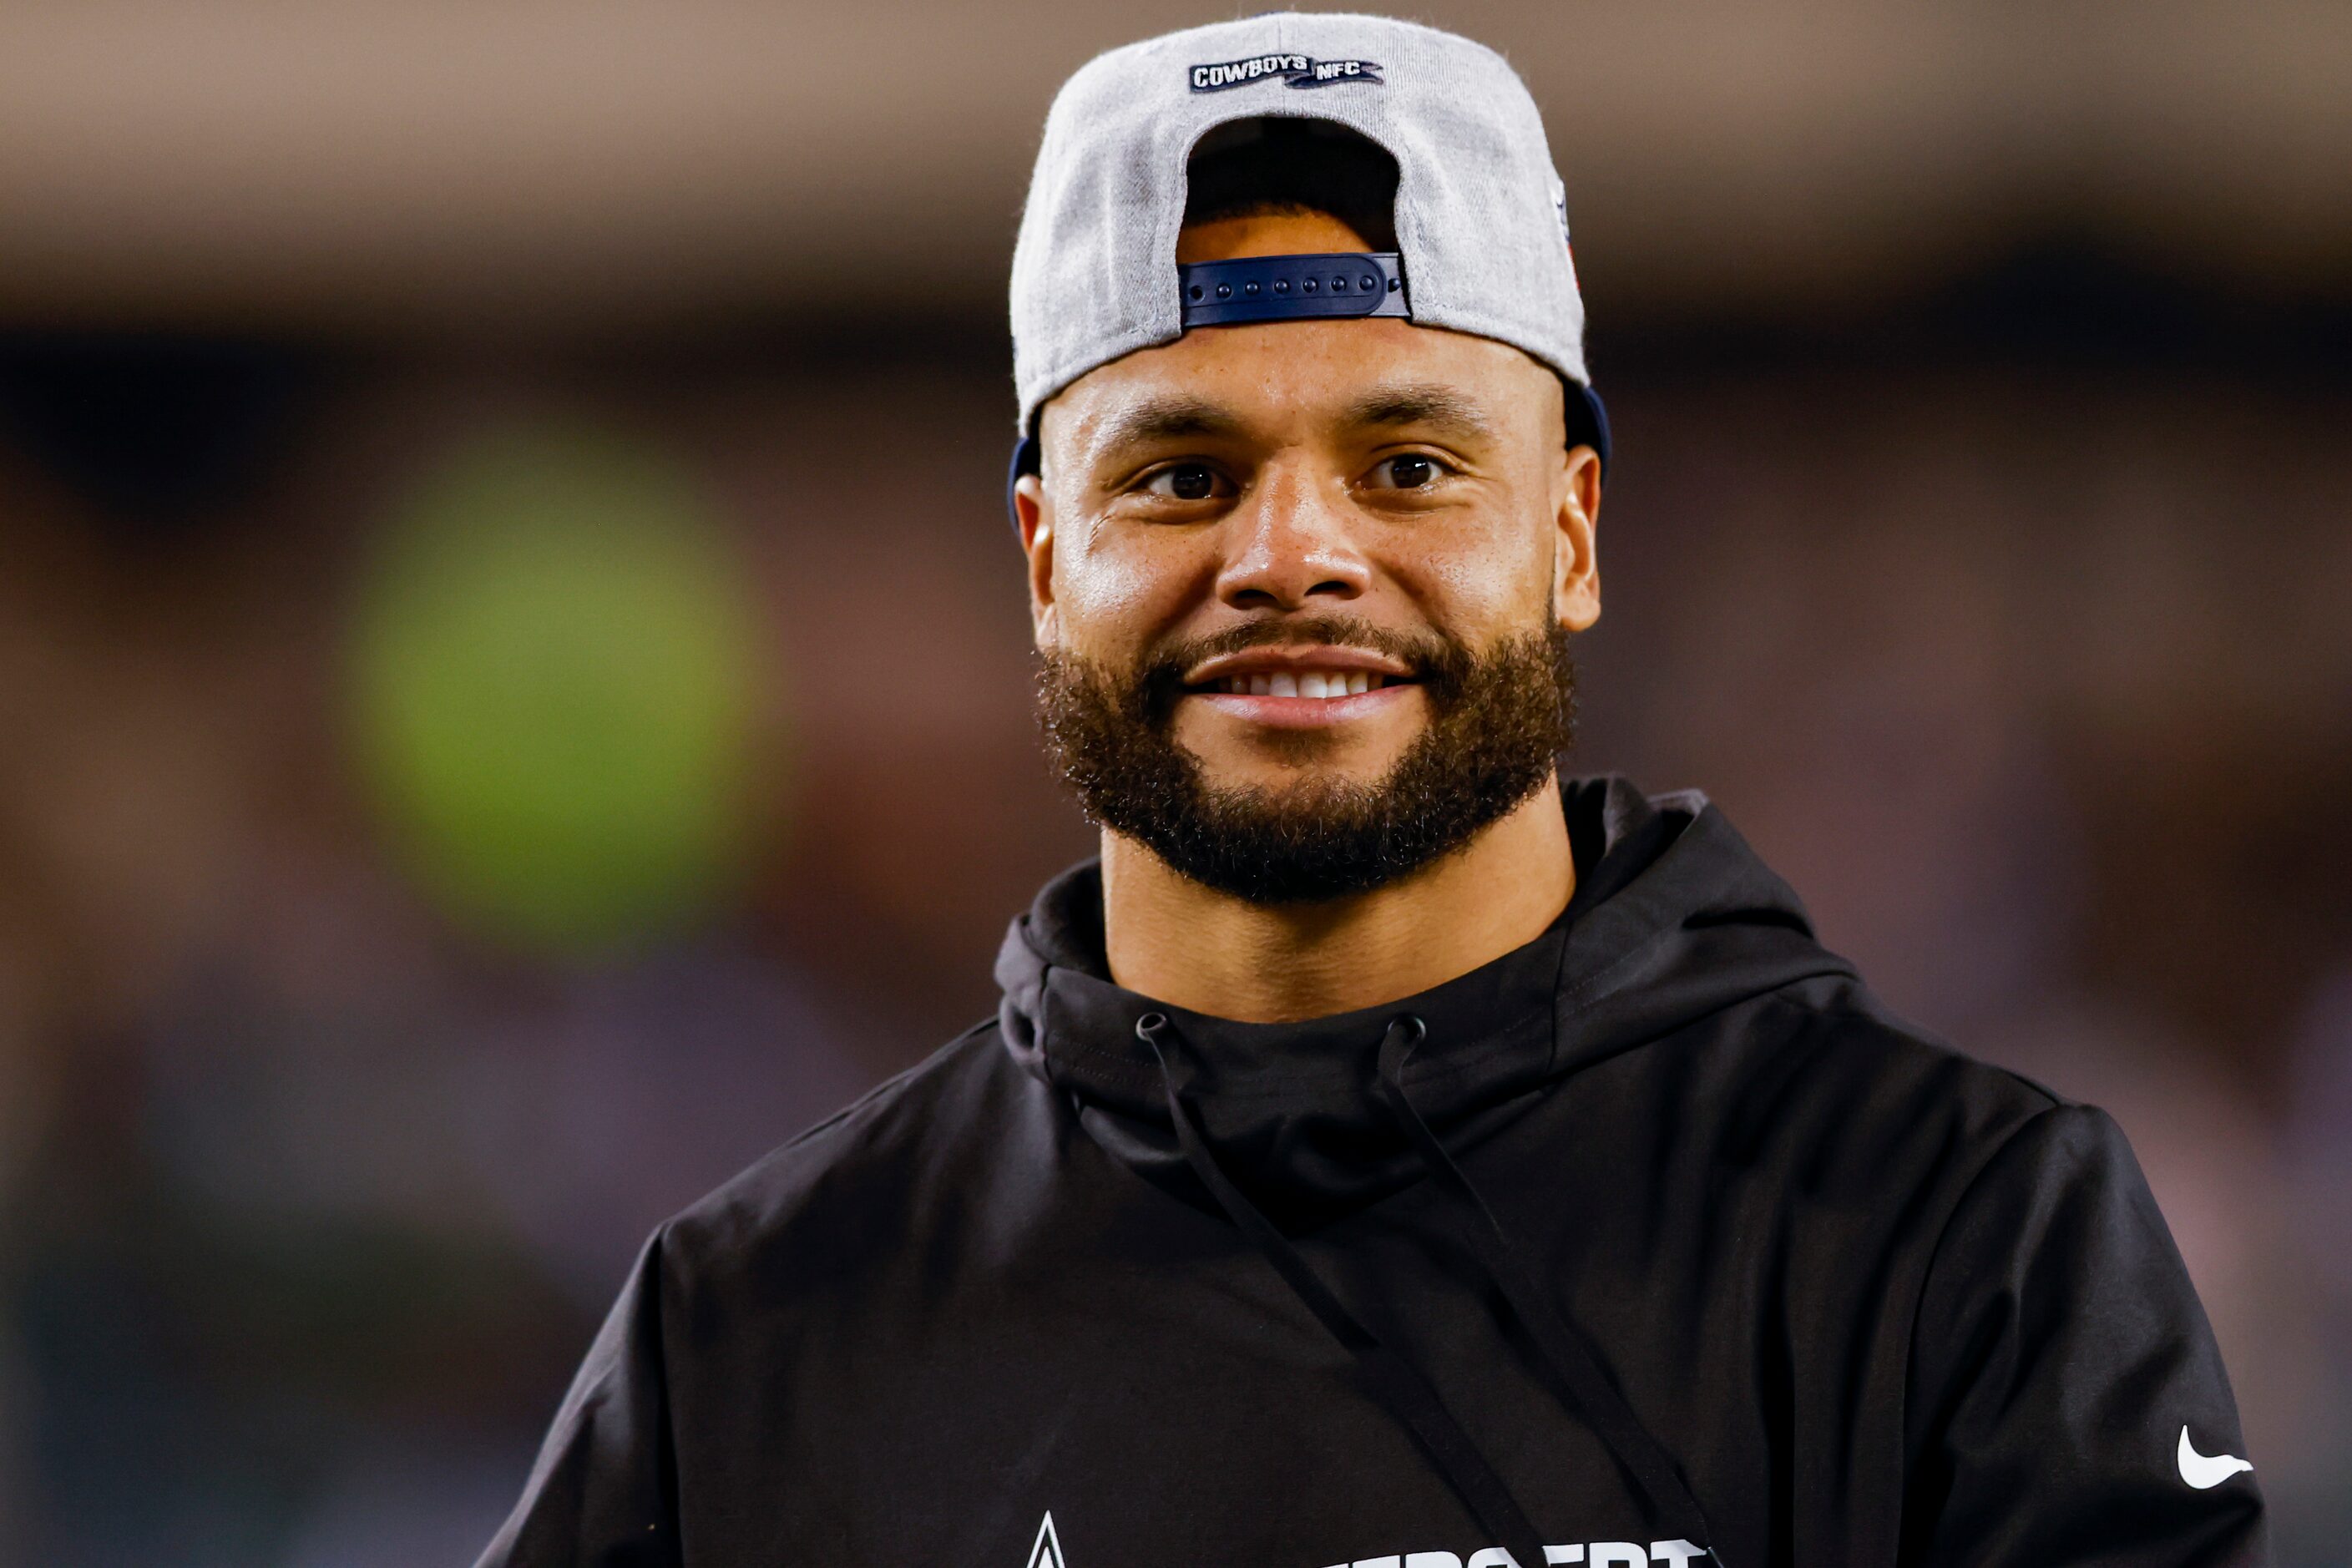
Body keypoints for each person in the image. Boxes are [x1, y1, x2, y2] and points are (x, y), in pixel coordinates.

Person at [476, 15, 2270, 1567]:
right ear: (1042, 563)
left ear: (1566, 533)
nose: (1291, 555)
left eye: (1406, 464)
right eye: (1178, 474)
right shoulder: (757, 1328)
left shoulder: (1948, 1231)